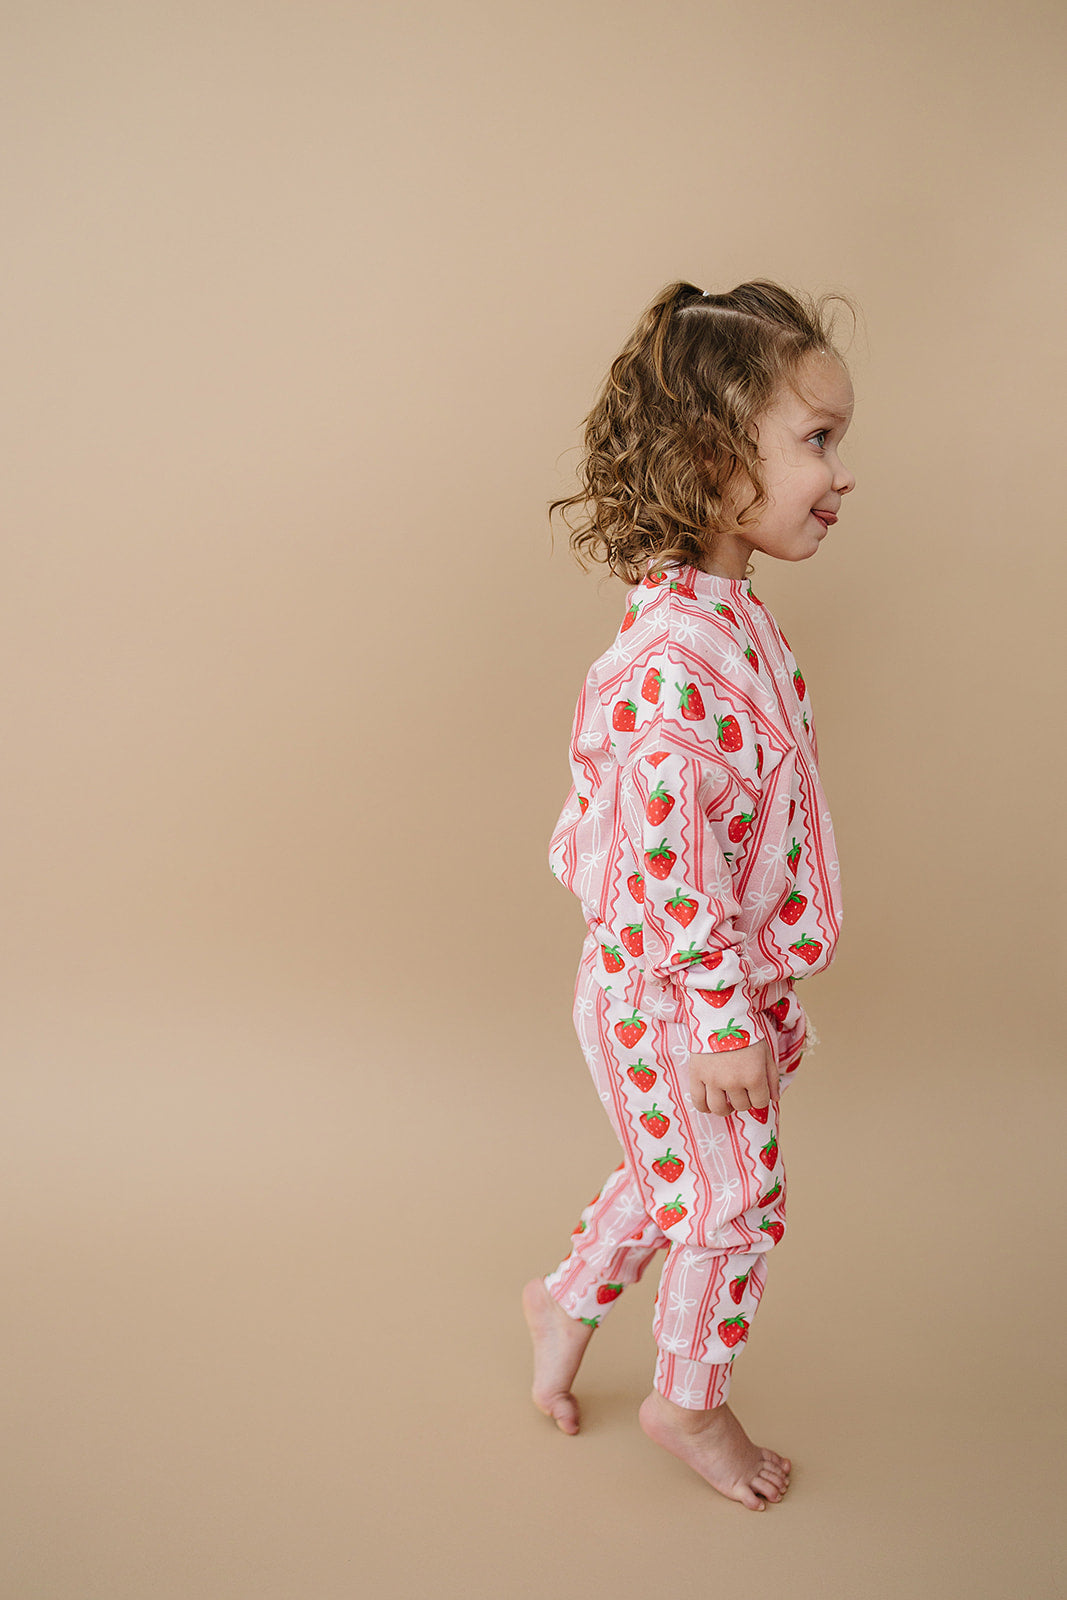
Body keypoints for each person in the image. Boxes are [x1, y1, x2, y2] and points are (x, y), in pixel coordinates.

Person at [523, 279, 857, 1512]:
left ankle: (562, 1302)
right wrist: (719, 1010)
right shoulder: (670, 666)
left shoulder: (728, 620)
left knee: (681, 1178)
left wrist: (757, 988)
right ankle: (688, 1399)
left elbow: (743, 829)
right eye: (814, 439)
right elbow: (665, 868)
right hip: (667, 989)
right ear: (717, 463)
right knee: (735, 1205)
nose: (839, 473)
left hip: (704, 979)